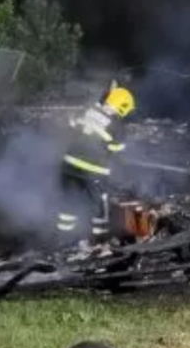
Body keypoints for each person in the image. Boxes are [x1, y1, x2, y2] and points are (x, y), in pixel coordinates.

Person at [55, 83, 135, 244]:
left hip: (68, 167)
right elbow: (117, 152)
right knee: (100, 208)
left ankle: (63, 243)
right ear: (122, 107)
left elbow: (74, 127)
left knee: (68, 207)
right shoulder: (116, 126)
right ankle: (100, 243)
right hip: (92, 172)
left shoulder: (89, 111)